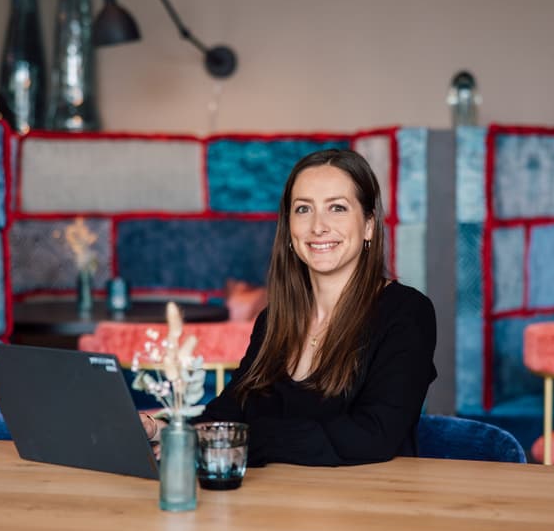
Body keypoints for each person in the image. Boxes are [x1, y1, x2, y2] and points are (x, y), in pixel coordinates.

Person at [143, 148, 437, 466]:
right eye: (303, 209)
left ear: (368, 225)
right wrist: (162, 430)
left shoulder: (407, 313)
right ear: (289, 230)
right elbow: (228, 414)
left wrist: (246, 441)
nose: (318, 226)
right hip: (274, 505)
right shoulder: (273, 320)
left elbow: (373, 436)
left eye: (337, 208)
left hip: (366, 507)